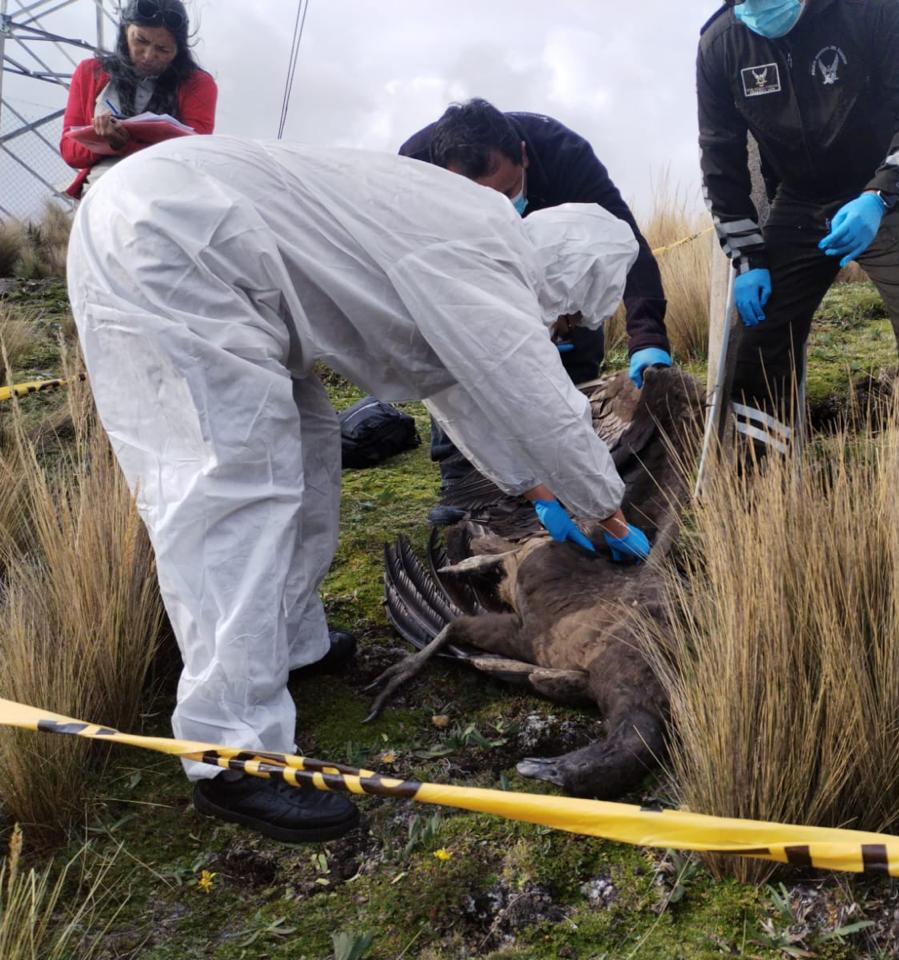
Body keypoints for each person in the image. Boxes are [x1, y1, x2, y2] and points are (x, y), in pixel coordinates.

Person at [66, 136, 652, 842]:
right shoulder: (489, 261)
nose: (561, 330)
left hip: (215, 247)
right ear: (568, 281)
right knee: (233, 485)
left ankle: (289, 644)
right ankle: (231, 750)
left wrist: (536, 490)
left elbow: (455, 381)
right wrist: (607, 513)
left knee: (309, 447)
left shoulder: (478, 239)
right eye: (568, 318)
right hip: (177, 239)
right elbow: (535, 396)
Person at [697, 0, 899, 456]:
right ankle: (758, 499)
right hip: (798, 200)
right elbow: (720, 161)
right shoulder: (721, 44)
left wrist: (879, 195)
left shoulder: (875, 8)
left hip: (885, 192)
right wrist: (749, 258)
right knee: (758, 338)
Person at [400, 100, 673, 510]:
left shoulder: (565, 155)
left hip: (558, 269)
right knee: (458, 355)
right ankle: (462, 477)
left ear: (523, 156)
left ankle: (568, 462)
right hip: (466, 271)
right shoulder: (414, 169)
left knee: (574, 357)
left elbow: (626, 241)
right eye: (483, 200)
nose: (501, 209)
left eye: (508, 192)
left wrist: (647, 333)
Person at [60, 0, 216, 200]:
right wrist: (105, 140)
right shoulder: (91, 72)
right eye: (140, 40)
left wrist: (125, 144)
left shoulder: (197, 83)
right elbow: (69, 150)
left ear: (178, 51)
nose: (149, 55)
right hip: (104, 185)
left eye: (163, 49)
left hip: (170, 187)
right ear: (125, 30)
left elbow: (194, 154)